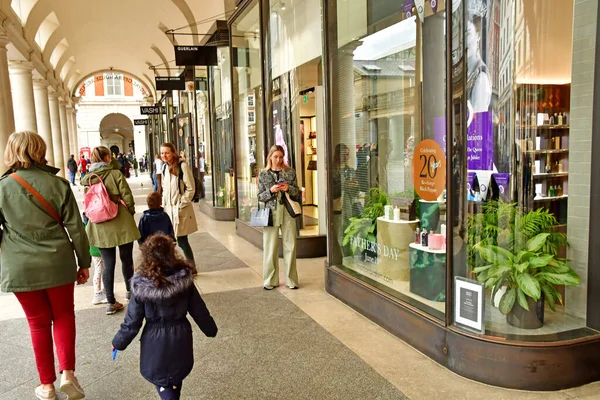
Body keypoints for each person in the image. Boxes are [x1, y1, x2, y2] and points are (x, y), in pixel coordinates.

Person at [0, 131, 90, 400]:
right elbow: (77, 228)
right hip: (57, 261)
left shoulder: (2, 187)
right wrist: (83, 262)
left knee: (37, 323)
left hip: (19, 265)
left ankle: (47, 386)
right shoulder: (58, 184)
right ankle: (68, 373)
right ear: (40, 150)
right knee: (63, 316)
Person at [112, 233, 217, 400]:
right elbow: (199, 310)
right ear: (172, 253)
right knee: (176, 376)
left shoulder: (140, 285)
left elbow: (132, 322)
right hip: (180, 335)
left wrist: (118, 342)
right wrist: (210, 329)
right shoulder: (184, 280)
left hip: (154, 339)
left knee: (162, 380)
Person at [81, 146, 140, 315]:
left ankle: (110, 302)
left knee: (108, 264)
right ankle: (131, 293)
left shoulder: (88, 179)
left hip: (99, 225)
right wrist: (130, 211)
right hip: (120, 220)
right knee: (126, 259)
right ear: (107, 158)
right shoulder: (115, 174)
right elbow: (127, 196)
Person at [257, 144, 300, 290]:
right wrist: (271, 190)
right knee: (270, 247)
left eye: (281, 157)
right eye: (275, 157)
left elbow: (297, 192)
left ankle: (291, 280)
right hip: (271, 213)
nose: (278, 160)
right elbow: (260, 197)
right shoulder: (263, 174)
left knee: (290, 245)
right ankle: (270, 280)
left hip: (288, 211)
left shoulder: (290, 172)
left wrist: (288, 188)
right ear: (270, 157)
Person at [161, 143, 198, 271]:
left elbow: (191, 188)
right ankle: (173, 267)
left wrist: (182, 203)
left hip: (179, 209)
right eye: (162, 153)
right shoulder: (164, 168)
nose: (164, 156)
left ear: (173, 152)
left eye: (167, 153)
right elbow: (165, 189)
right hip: (168, 210)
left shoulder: (182, 166)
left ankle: (192, 267)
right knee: (170, 240)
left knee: (182, 240)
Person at [466, 18, 492, 113]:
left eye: (468, 33)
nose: (464, 40)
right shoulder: (470, 72)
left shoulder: (481, 78)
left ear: (477, 36)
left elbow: (480, 125)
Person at [83, 212, 107, 305]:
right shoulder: (95, 222)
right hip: (98, 249)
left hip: (93, 250)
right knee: (100, 270)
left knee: (100, 269)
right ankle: (98, 293)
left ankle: (101, 291)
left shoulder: (85, 222)